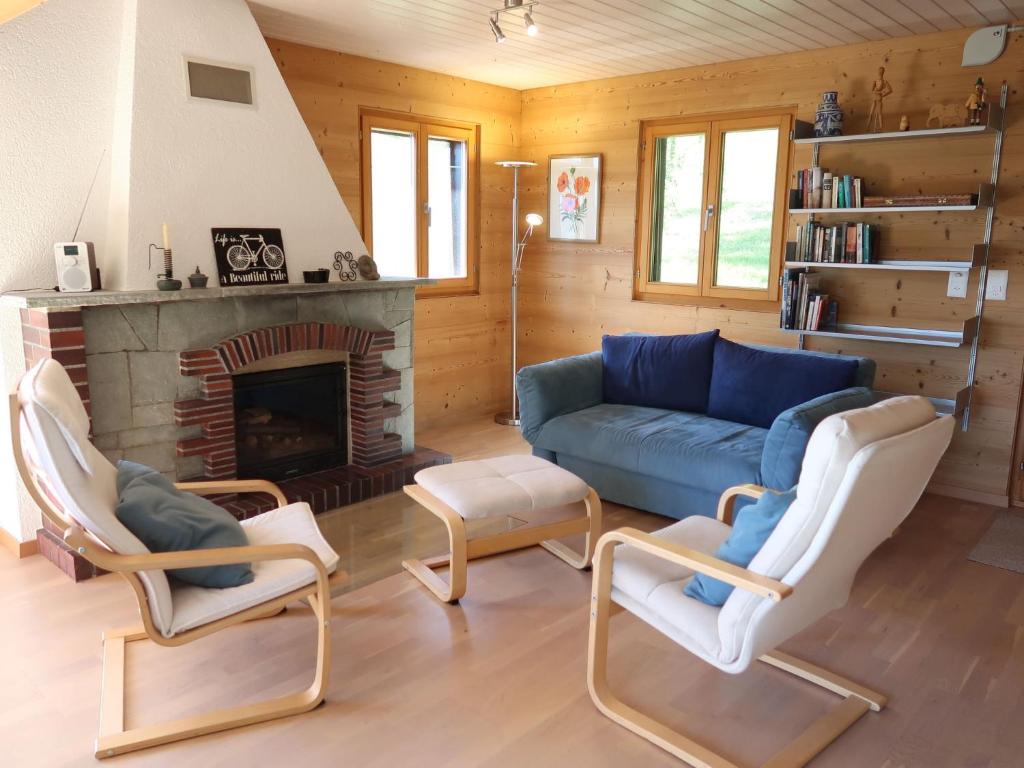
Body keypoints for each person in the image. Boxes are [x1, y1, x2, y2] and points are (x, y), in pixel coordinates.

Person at [867, 66, 893, 132]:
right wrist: (877, 91)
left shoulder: (884, 81)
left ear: (883, 72)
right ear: (878, 72)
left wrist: (883, 94)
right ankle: (868, 126)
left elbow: (890, 90)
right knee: (871, 112)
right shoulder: (875, 81)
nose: (880, 72)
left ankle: (881, 127)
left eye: (881, 71)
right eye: (879, 71)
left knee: (879, 113)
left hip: (879, 98)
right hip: (875, 98)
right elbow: (872, 90)